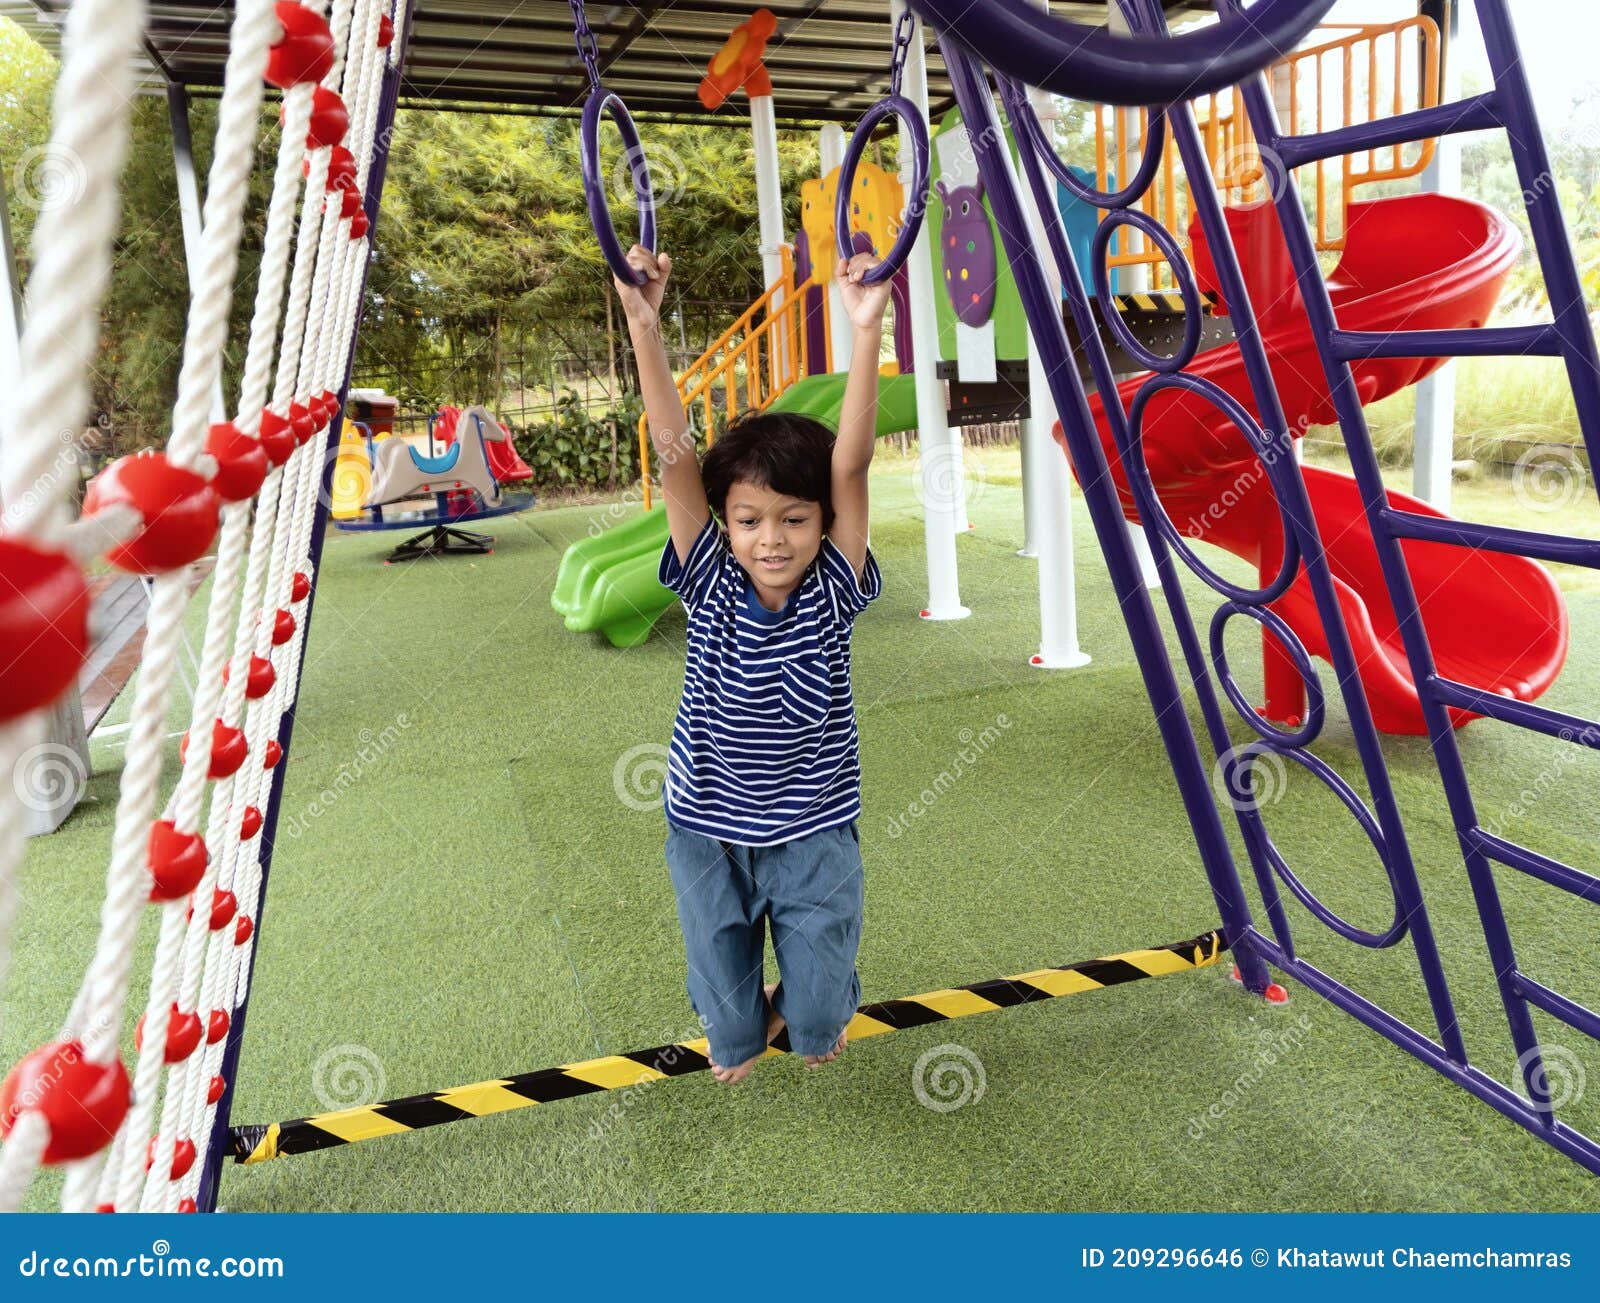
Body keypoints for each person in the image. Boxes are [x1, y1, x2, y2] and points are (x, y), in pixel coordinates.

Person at [613, 241, 891, 1084]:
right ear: (726, 524)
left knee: (814, 1026)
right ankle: (747, 1010)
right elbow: (672, 454)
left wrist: (866, 329)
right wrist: (644, 326)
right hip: (707, 827)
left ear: (821, 523)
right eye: (750, 519)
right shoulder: (709, 576)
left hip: (810, 829)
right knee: (731, 1036)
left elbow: (851, 460)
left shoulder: (834, 585)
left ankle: (811, 989)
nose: (772, 538)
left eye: (795, 519)